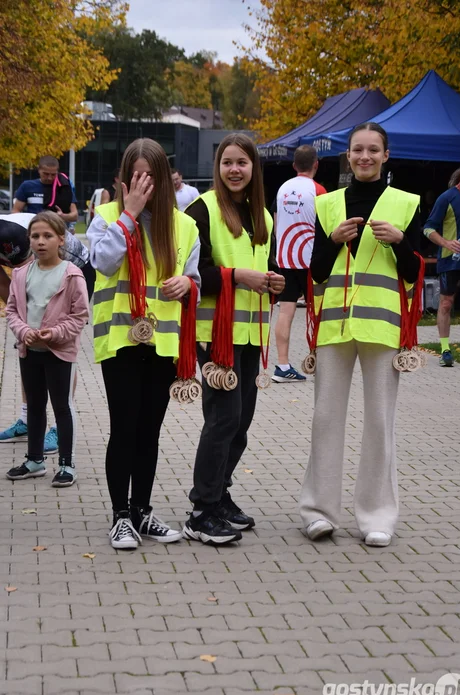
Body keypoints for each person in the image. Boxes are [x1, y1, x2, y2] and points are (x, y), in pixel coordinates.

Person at [300, 122, 421, 548]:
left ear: (386, 156)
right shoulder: (328, 204)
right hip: (334, 325)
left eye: (373, 150)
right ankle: (318, 511)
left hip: (383, 326)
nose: (365, 157)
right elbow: (314, 272)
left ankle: (377, 516)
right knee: (325, 417)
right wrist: (332, 241)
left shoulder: (407, 203)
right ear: (347, 156)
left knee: (379, 422)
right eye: (357, 150)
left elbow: (417, 271)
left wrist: (400, 243)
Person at [88, 138, 201, 550]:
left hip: (162, 343)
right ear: (123, 179)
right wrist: (129, 216)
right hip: (119, 340)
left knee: (148, 432)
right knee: (124, 429)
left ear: (165, 181)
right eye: (135, 177)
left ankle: (142, 511)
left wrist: (188, 283)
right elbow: (100, 262)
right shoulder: (105, 216)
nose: (143, 185)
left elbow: (195, 280)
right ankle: (120, 516)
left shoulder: (184, 224)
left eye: (150, 177)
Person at [182, 133, 285, 546]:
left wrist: (274, 280)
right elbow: (189, 273)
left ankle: (219, 495)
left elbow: (265, 265)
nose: (235, 170)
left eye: (242, 162)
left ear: (254, 168)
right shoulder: (201, 211)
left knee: (240, 423)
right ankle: (201, 510)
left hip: (249, 332)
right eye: (227, 162)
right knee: (223, 420)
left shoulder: (263, 216)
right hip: (214, 334)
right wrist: (238, 277)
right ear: (217, 168)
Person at [5, 212, 89, 486]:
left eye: (47, 236)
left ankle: (67, 464)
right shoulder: (20, 274)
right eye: (35, 236)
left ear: (61, 239)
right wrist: (24, 331)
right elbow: (12, 310)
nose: (41, 242)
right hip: (29, 352)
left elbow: (79, 316)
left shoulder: (72, 275)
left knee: (62, 407)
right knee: (35, 406)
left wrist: (54, 333)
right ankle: (35, 460)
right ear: (28, 240)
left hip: (59, 352)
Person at [272, 145, 327, 382]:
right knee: (319, 313)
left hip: (285, 259)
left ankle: (282, 367)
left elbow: (275, 220)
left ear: (294, 166)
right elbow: (327, 226)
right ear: (316, 164)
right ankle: (320, 363)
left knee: (286, 311)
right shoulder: (319, 190)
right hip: (311, 260)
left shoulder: (282, 188)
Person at [423, 159, 460, 369]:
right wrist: (447, 242)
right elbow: (428, 229)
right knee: (446, 303)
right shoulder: (447, 198)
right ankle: (445, 350)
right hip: (451, 259)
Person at [13, 156, 78, 226]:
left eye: (53, 174)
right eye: (46, 174)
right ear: (39, 170)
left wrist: (62, 216)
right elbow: (15, 211)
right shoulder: (27, 186)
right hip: (33, 229)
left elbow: (74, 215)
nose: (49, 178)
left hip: (56, 231)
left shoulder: (64, 187)